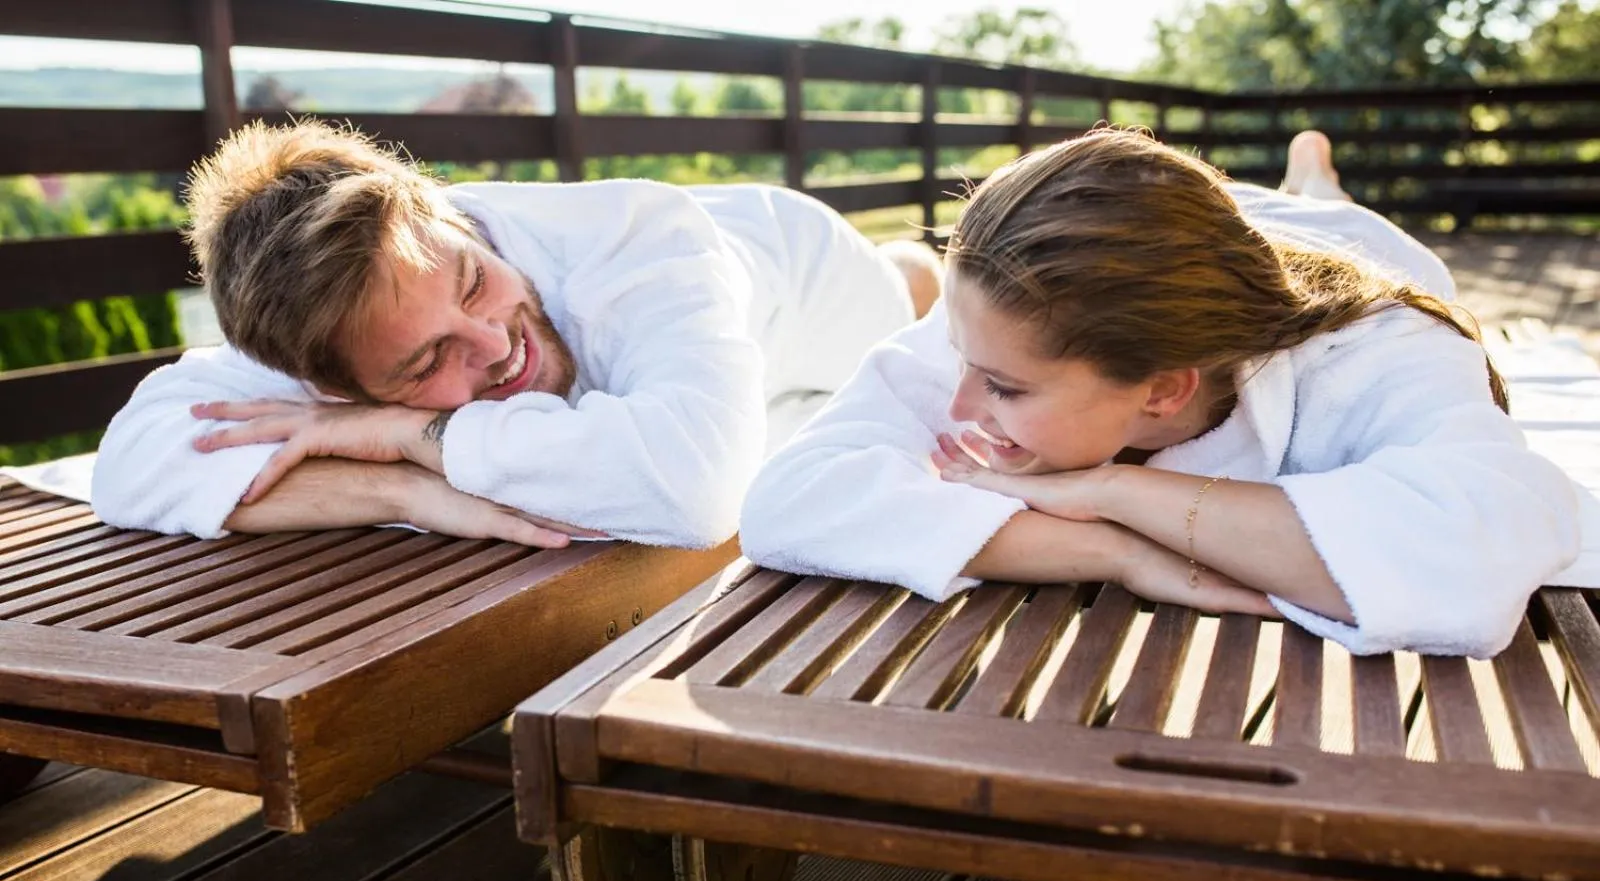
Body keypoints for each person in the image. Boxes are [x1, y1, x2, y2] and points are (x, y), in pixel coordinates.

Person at [739, 128, 1595, 657]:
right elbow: (787, 500)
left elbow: (1482, 539)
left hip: (1354, 250)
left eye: (1000, 387)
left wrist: (1112, 489)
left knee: (1329, 209)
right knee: (1257, 213)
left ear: (1164, 392)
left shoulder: (1384, 349)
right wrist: (1117, 551)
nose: (960, 404)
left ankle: (1315, 181)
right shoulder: (1004, 312)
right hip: (1214, 234)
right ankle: (1297, 183)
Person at [89, 119, 940, 550]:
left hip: (798, 263)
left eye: (475, 281)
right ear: (329, 387)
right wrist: (402, 491)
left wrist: (406, 431)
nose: (493, 345)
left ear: (450, 211)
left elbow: (691, 492)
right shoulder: (317, 323)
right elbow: (131, 464)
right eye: (428, 361)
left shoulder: (646, 234)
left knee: (915, 294)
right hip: (731, 332)